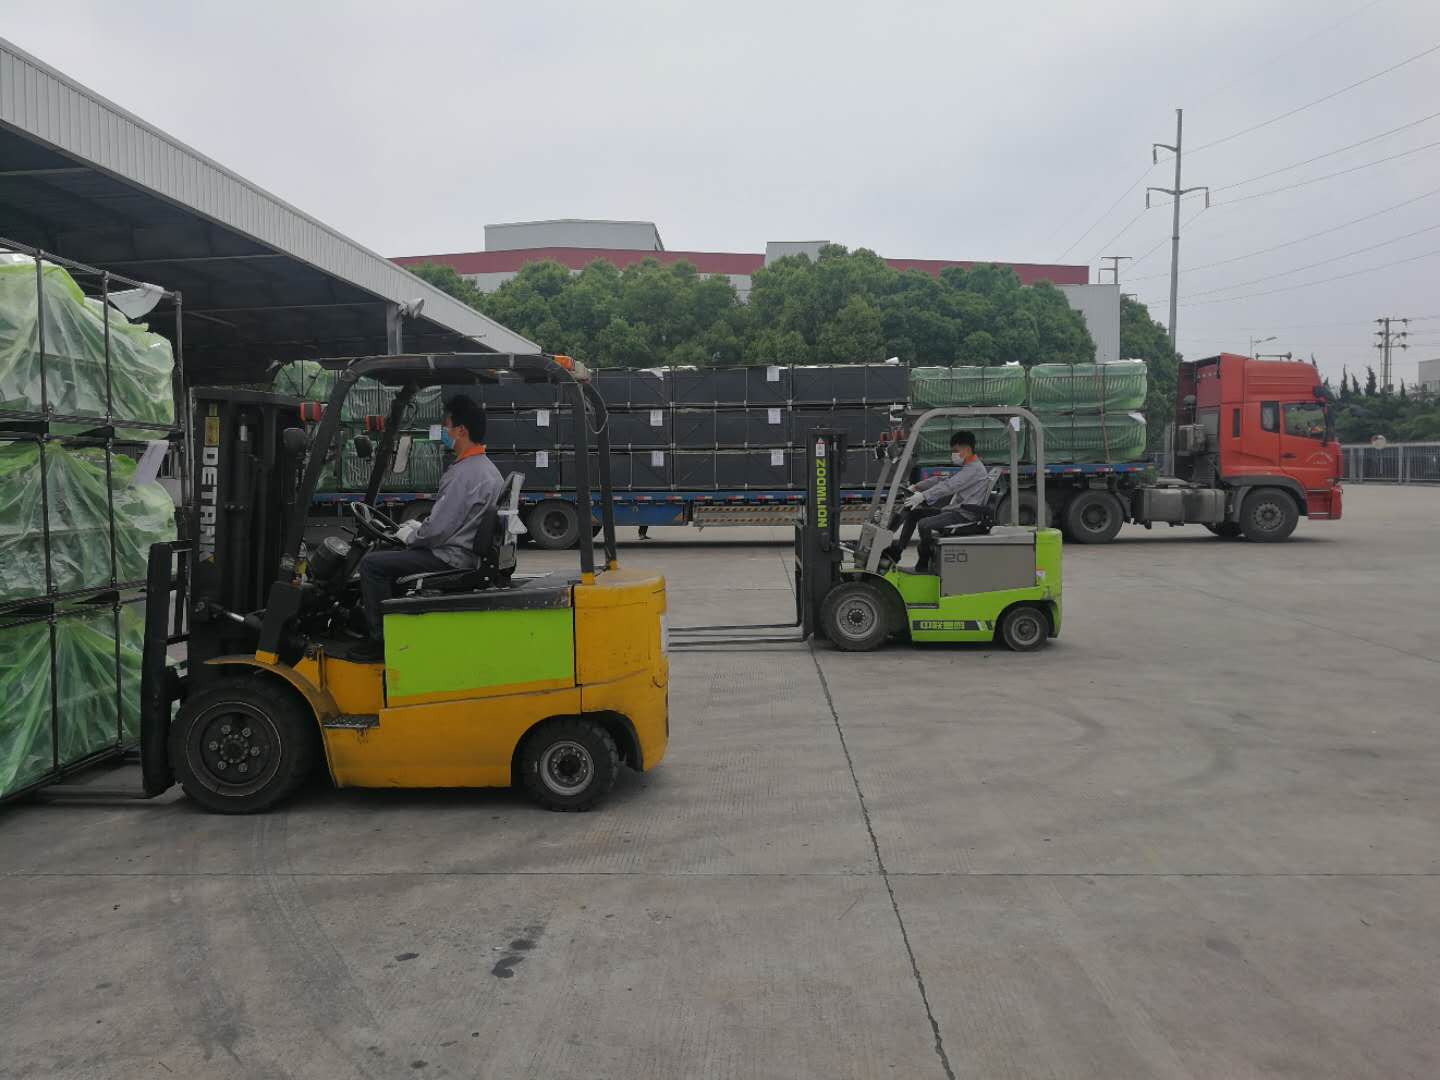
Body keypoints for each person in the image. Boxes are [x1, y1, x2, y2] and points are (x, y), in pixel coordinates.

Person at [353, 395, 504, 660]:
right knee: (392, 557)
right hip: (464, 551)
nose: (444, 431)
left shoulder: (463, 475)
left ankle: (380, 642)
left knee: (371, 565)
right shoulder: (487, 469)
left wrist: (411, 535)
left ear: (461, 430)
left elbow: (437, 531)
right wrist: (418, 529)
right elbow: (450, 519)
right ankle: (397, 625)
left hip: (450, 556)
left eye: (447, 426)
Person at [885, 430, 990, 570]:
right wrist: (917, 487)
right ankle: (897, 551)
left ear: (967, 449)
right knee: (914, 514)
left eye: (956, 451)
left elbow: (950, 486)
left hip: (963, 515)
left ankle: (924, 560)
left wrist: (924, 496)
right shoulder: (968, 467)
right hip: (955, 510)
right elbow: (942, 480)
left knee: (924, 524)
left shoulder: (974, 470)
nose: (953, 455)